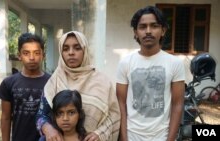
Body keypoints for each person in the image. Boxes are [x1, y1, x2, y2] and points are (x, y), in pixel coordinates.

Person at [36, 31, 120, 141]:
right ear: (61, 53)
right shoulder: (54, 81)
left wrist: (100, 133)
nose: (71, 53)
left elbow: (114, 115)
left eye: (77, 48)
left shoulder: (102, 82)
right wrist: (48, 128)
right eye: (66, 49)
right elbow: (41, 114)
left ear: (85, 50)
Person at [116, 6, 185, 141]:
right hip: (132, 135)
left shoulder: (174, 63)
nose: (148, 31)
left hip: (162, 136)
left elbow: (177, 104)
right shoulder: (125, 63)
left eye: (154, 26)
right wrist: (124, 138)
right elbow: (121, 104)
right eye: (142, 27)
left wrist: (170, 139)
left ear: (163, 30)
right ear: (135, 32)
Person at [0, 32, 51, 141]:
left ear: (43, 55)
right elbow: (6, 118)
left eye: (36, 53)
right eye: (26, 53)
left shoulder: (52, 82)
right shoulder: (8, 83)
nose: (31, 57)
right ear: (19, 55)